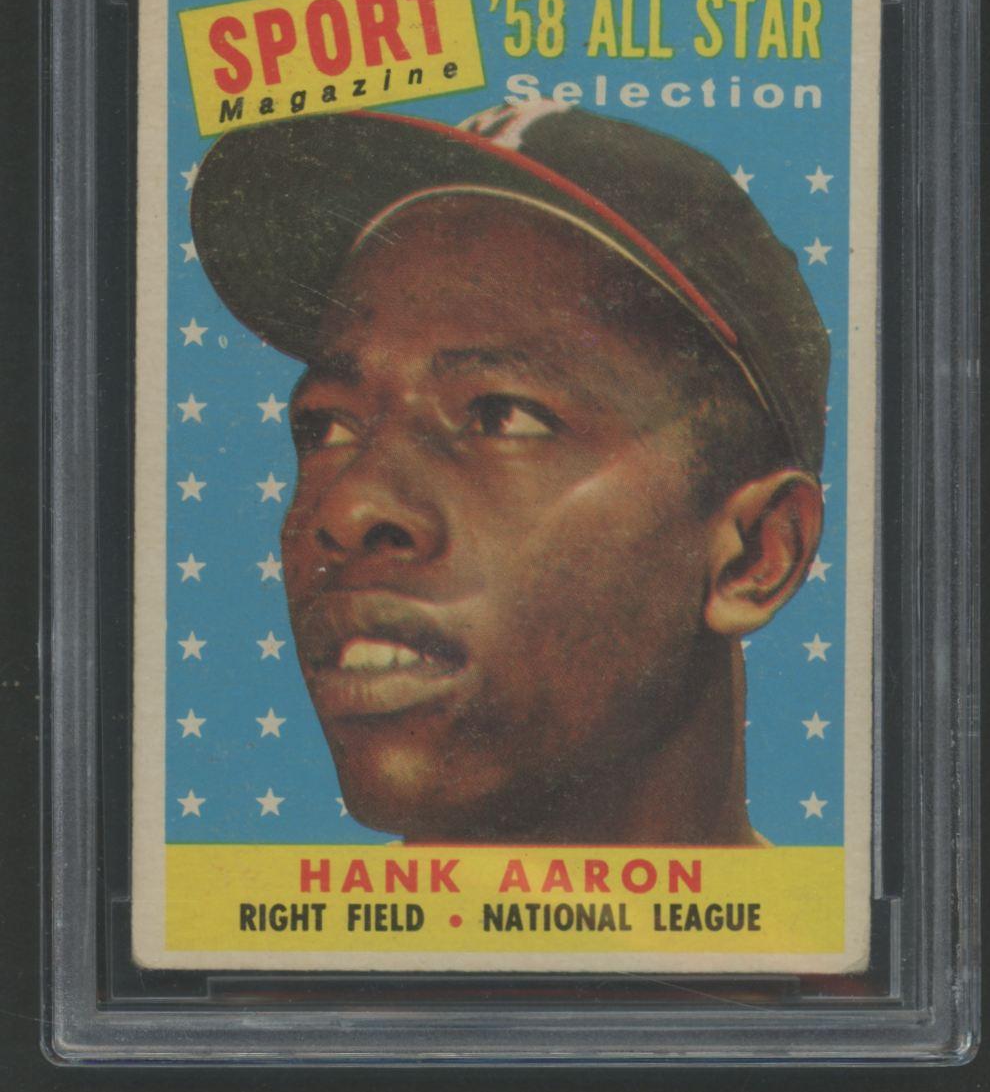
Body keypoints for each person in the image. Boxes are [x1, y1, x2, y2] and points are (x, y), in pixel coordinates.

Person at [191, 100, 827, 846]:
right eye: (327, 426)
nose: (350, 507)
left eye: (499, 416)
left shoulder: (855, 927)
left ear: (757, 555)